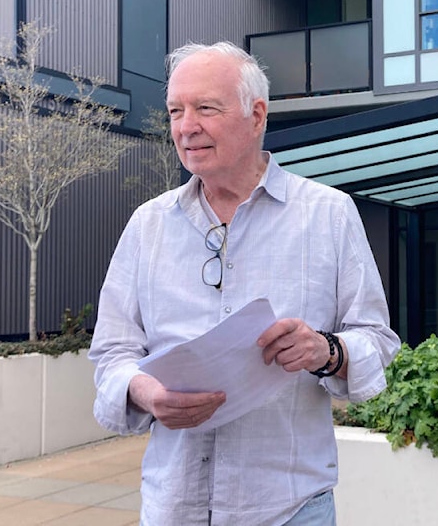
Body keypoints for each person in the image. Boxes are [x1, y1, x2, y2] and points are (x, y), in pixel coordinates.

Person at [88, 41, 401, 525]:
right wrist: (145, 393)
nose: (185, 126)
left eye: (205, 108)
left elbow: (376, 340)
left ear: (256, 115)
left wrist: (327, 351)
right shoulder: (147, 225)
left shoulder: (328, 215)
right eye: (175, 110)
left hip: (288, 508)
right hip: (173, 507)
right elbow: (111, 354)